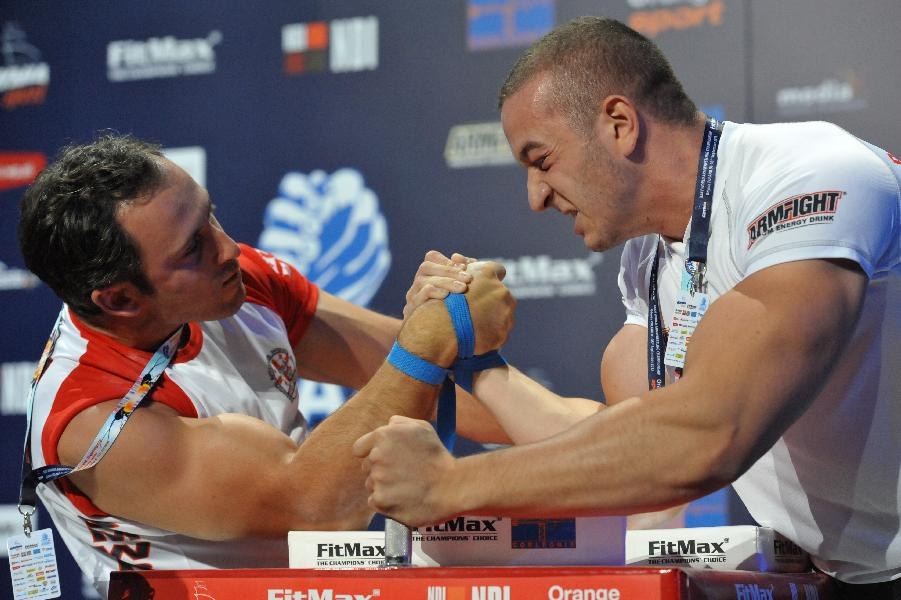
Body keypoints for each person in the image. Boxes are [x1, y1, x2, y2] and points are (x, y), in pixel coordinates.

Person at [353, 16, 901, 595]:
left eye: (541, 161)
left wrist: (451, 485)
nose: (535, 198)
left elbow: (709, 434)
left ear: (619, 124)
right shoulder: (649, 258)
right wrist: (474, 358)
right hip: (854, 577)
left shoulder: (809, 177)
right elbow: (629, 444)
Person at [17, 134, 515, 595]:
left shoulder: (233, 279)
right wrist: (426, 341)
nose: (229, 248)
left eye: (210, 216)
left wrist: (579, 439)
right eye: (193, 247)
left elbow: (442, 380)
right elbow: (315, 508)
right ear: (121, 299)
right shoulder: (92, 420)